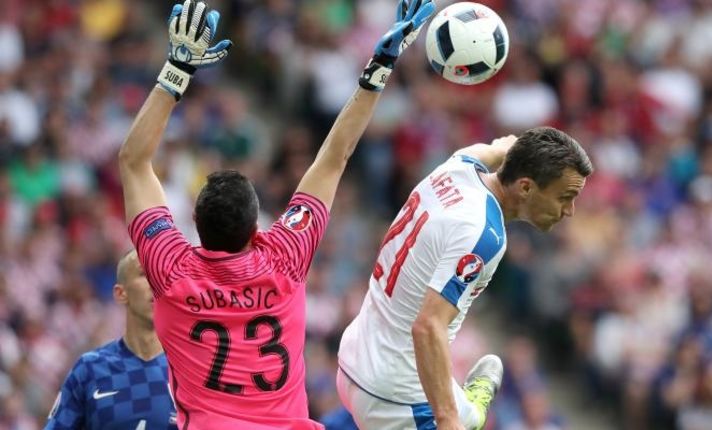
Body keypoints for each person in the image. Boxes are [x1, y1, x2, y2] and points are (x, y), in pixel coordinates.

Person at [117, 0, 435, 428]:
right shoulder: (284, 257)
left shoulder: (170, 270)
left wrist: (177, 71)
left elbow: (134, 162)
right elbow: (334, 158)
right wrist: (378, 69)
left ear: (194, 224)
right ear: (256, 229)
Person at [337, 127, 594, 430]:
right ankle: (469, 412)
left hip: (353, 361)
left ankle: (468, 411)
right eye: (565, 197)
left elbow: (492, 148)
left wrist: (507, 148)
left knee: (464, 415)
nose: (570, 211)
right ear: (525, 187)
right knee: (464, 422)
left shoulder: (457, 167)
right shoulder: (484, 235)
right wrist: (447, 421)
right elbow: (428, 325)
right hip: (397, 398)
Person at [45, 251, 177, 430]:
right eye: (144, 274)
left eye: (161, 276)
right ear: (121, 293)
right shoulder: (89, 369)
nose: (155, 284)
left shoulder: (191, 370)